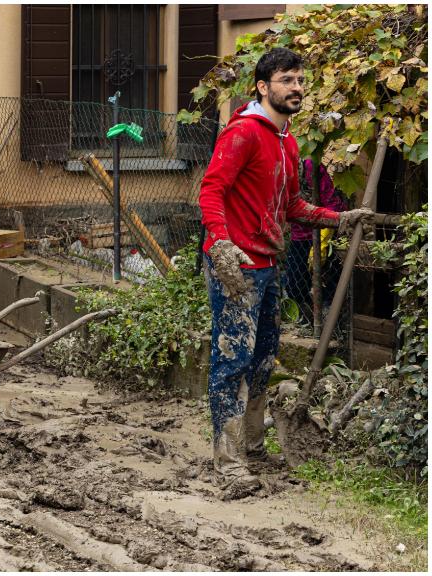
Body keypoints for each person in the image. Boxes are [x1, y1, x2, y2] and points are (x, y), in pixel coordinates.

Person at [198, 48, 372, 497]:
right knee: (231, 361)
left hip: (268, 265)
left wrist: (339, 219)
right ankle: (229, 462)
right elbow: (212, 190)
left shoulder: (286, 140)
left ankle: (253, 445)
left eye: (299, 80)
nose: (297, 87)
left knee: (262, 356)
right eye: (286, 80)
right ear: (262, 87)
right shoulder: (243, 134)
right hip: (236, 267)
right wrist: (220, 243)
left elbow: (291, 205)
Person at [283, 159, 347, 325]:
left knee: (330, 282)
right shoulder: (276, 171)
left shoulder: (311, 167)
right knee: (293, 284)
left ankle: (330, 322)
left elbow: (334, 205)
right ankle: (311, 320)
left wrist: (323, 240)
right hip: (299, 236)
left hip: (326, 231)